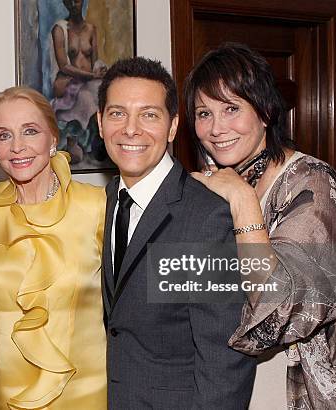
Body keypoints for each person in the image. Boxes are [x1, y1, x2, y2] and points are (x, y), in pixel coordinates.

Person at [186, 43, 336, 409]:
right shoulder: (222, 181)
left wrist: (243, 201)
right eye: (204, 113)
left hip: (317, 390)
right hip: (247, 381)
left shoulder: (312, 185)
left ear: (265, 112)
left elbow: (277, 310)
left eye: (231, 108)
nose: (216, 128)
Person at [96, 56, 256, 409]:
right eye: (117, 113)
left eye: (149, 115)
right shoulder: (109, 198)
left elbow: (226, 360)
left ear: (172, 127)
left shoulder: (205, 217)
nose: (131, 129)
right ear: (100, 123)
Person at [0, 86, 106, 409]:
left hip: (81, 391)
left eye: (30, 132)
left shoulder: (96, 206)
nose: (17, 147)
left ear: (53, 139)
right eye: (4, 135)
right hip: (0, 390)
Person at [50, 0, 107, 164]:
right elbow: (64, 66)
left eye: (77, 0)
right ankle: (75, 142)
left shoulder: (91, 29)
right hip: (70, 84)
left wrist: (99, 70)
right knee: (86, 99)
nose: (74, 4)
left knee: (103, 95)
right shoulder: (60, 30)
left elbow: (95, 60)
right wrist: (89, 75)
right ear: (65, 3)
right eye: (69, 1)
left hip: (90, 82)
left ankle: (99, 144)